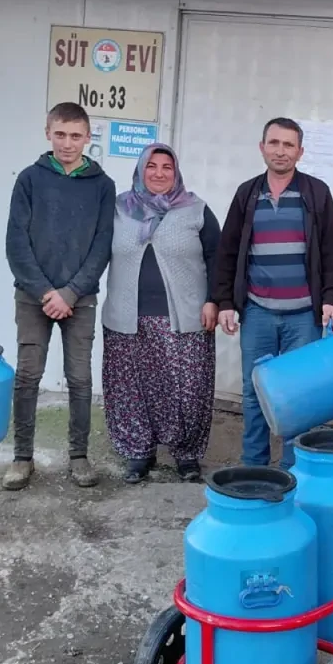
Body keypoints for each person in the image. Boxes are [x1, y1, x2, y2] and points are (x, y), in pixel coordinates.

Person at [213, 117, 333, 469]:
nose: (281, 151)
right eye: (274, 143)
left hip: (304, 314)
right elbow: (227, 251)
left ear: (300, 151)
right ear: (262, 147)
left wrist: (331, 299)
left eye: (288, 145)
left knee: (300, 395)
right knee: (255, 391)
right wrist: (226, 302)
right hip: (257, 311)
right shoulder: (247, 193)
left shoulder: (315, 193)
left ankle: (291, 468)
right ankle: (254, 465)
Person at [3, 102, 116, 491]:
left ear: (88, 137)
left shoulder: (102, 186)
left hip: (80, 299)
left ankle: (79, 455)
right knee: (28, 375)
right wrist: (45, 291)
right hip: (33, 297)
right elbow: (16, 244)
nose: (68, 143)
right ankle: (21, 457)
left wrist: (70, 292)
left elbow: (102, 247)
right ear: (48, 133)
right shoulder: (30, 180)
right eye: (60, 134)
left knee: (80, 378)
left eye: (76, 135)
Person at [103, 143, 220, 483]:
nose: (158, 173)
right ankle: (139, 453)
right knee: (132, 389)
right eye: (151, 166)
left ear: (176, 172)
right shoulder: (119, 208)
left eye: (166, 167)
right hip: (127, 318)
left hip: (184, 319)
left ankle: (187, 456)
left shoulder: (195, 208)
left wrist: (214, 299)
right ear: (140, 170)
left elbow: (217, 256)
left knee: (187, 390)